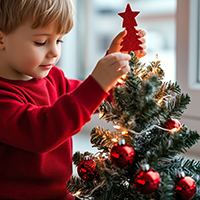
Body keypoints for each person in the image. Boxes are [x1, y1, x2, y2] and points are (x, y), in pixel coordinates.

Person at [0, 0, 146, 199]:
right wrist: (97, 83)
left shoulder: (54, 78)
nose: (54, 52)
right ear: (1, 39)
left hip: (61, 194)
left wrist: (115, 67)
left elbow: (94, 99)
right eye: (41, 42)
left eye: (59, 40)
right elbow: (42, 132)